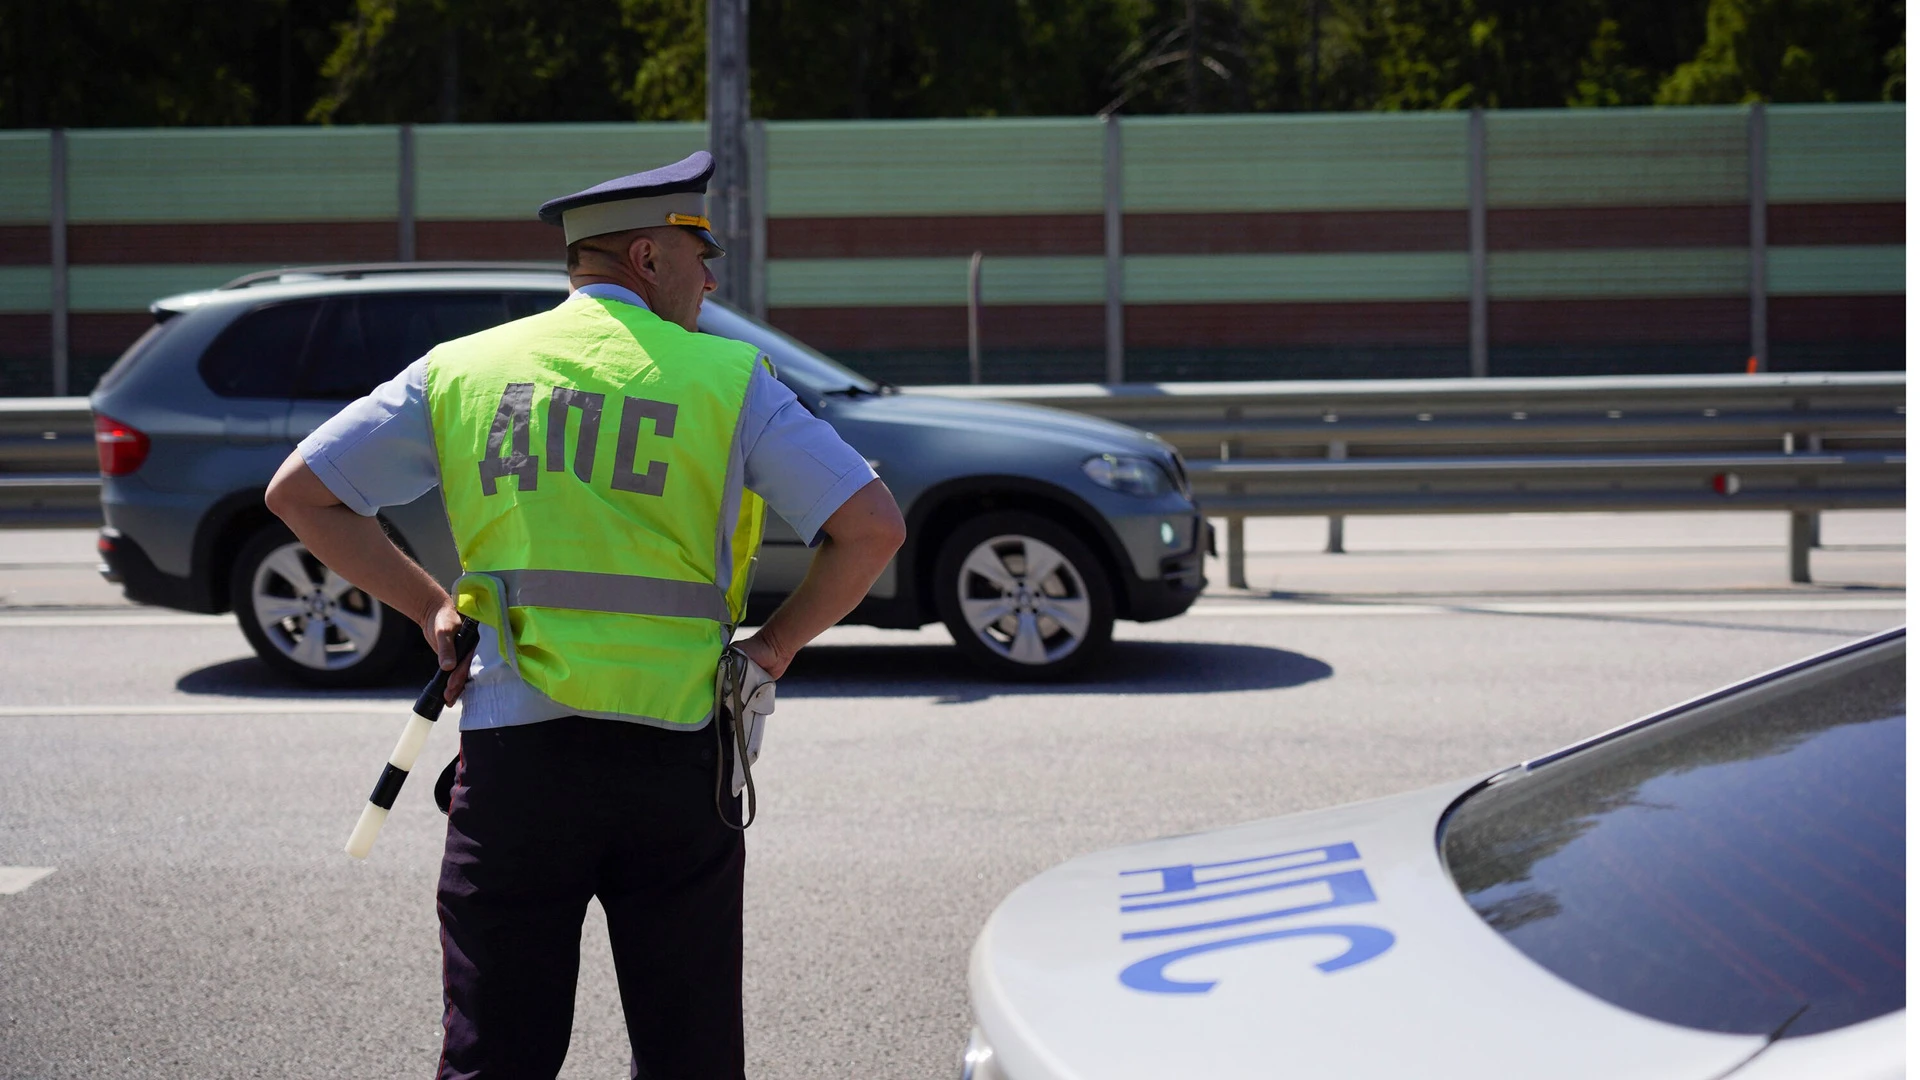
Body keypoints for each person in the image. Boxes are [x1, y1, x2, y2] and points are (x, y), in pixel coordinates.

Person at [264, 150, 905, 1080]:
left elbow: (302, 493)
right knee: (687, 1053)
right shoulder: (727, 379)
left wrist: (429, 605)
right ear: (649, 258)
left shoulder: (465, 370)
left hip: (514, 761)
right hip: (674, 758)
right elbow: (872, 526)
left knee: (497, 1055)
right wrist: (771, 650)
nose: (711, 275)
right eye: (700, 251)